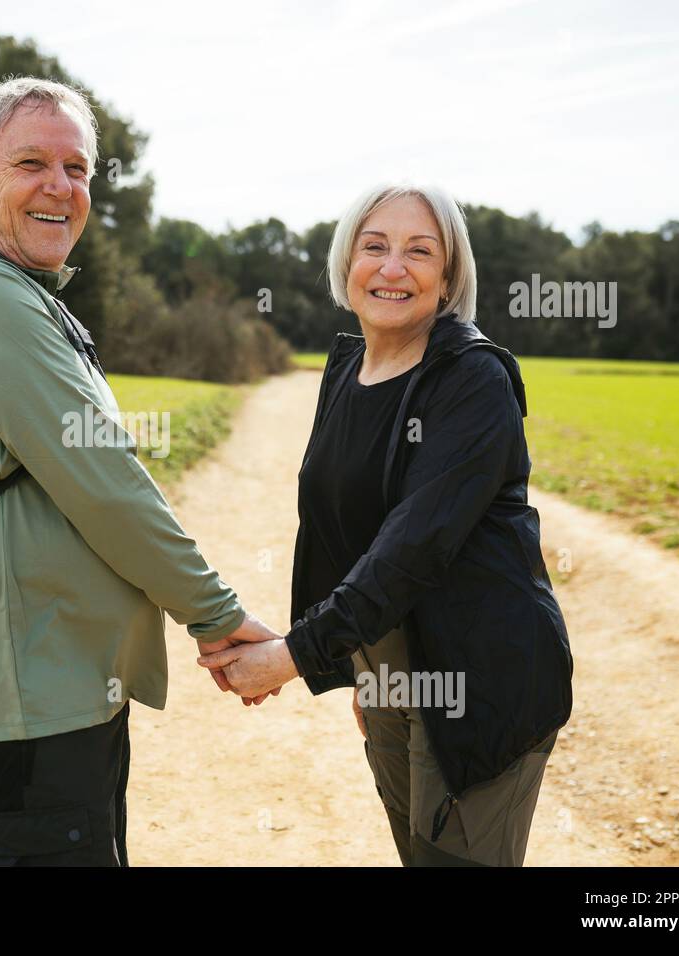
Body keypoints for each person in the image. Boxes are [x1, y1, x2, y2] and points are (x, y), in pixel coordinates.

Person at [0, 76, 278, 867]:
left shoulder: (15, 294)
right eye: (31, 162)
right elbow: (107, 487)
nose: (60, 187)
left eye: (78, 170)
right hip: (23, 704)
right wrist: (217, 617)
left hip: (51, 688)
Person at [199, 183, 574, 866]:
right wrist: (362, 667)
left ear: (449, 276)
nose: (392, 268)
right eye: (375, 246)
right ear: (348, 262)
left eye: (418, 251)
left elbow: (413, 547)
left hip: (478, 676)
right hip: (391, 673)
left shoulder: (473, 380)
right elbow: (341, 530)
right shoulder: (349, 368)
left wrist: (292, 655)